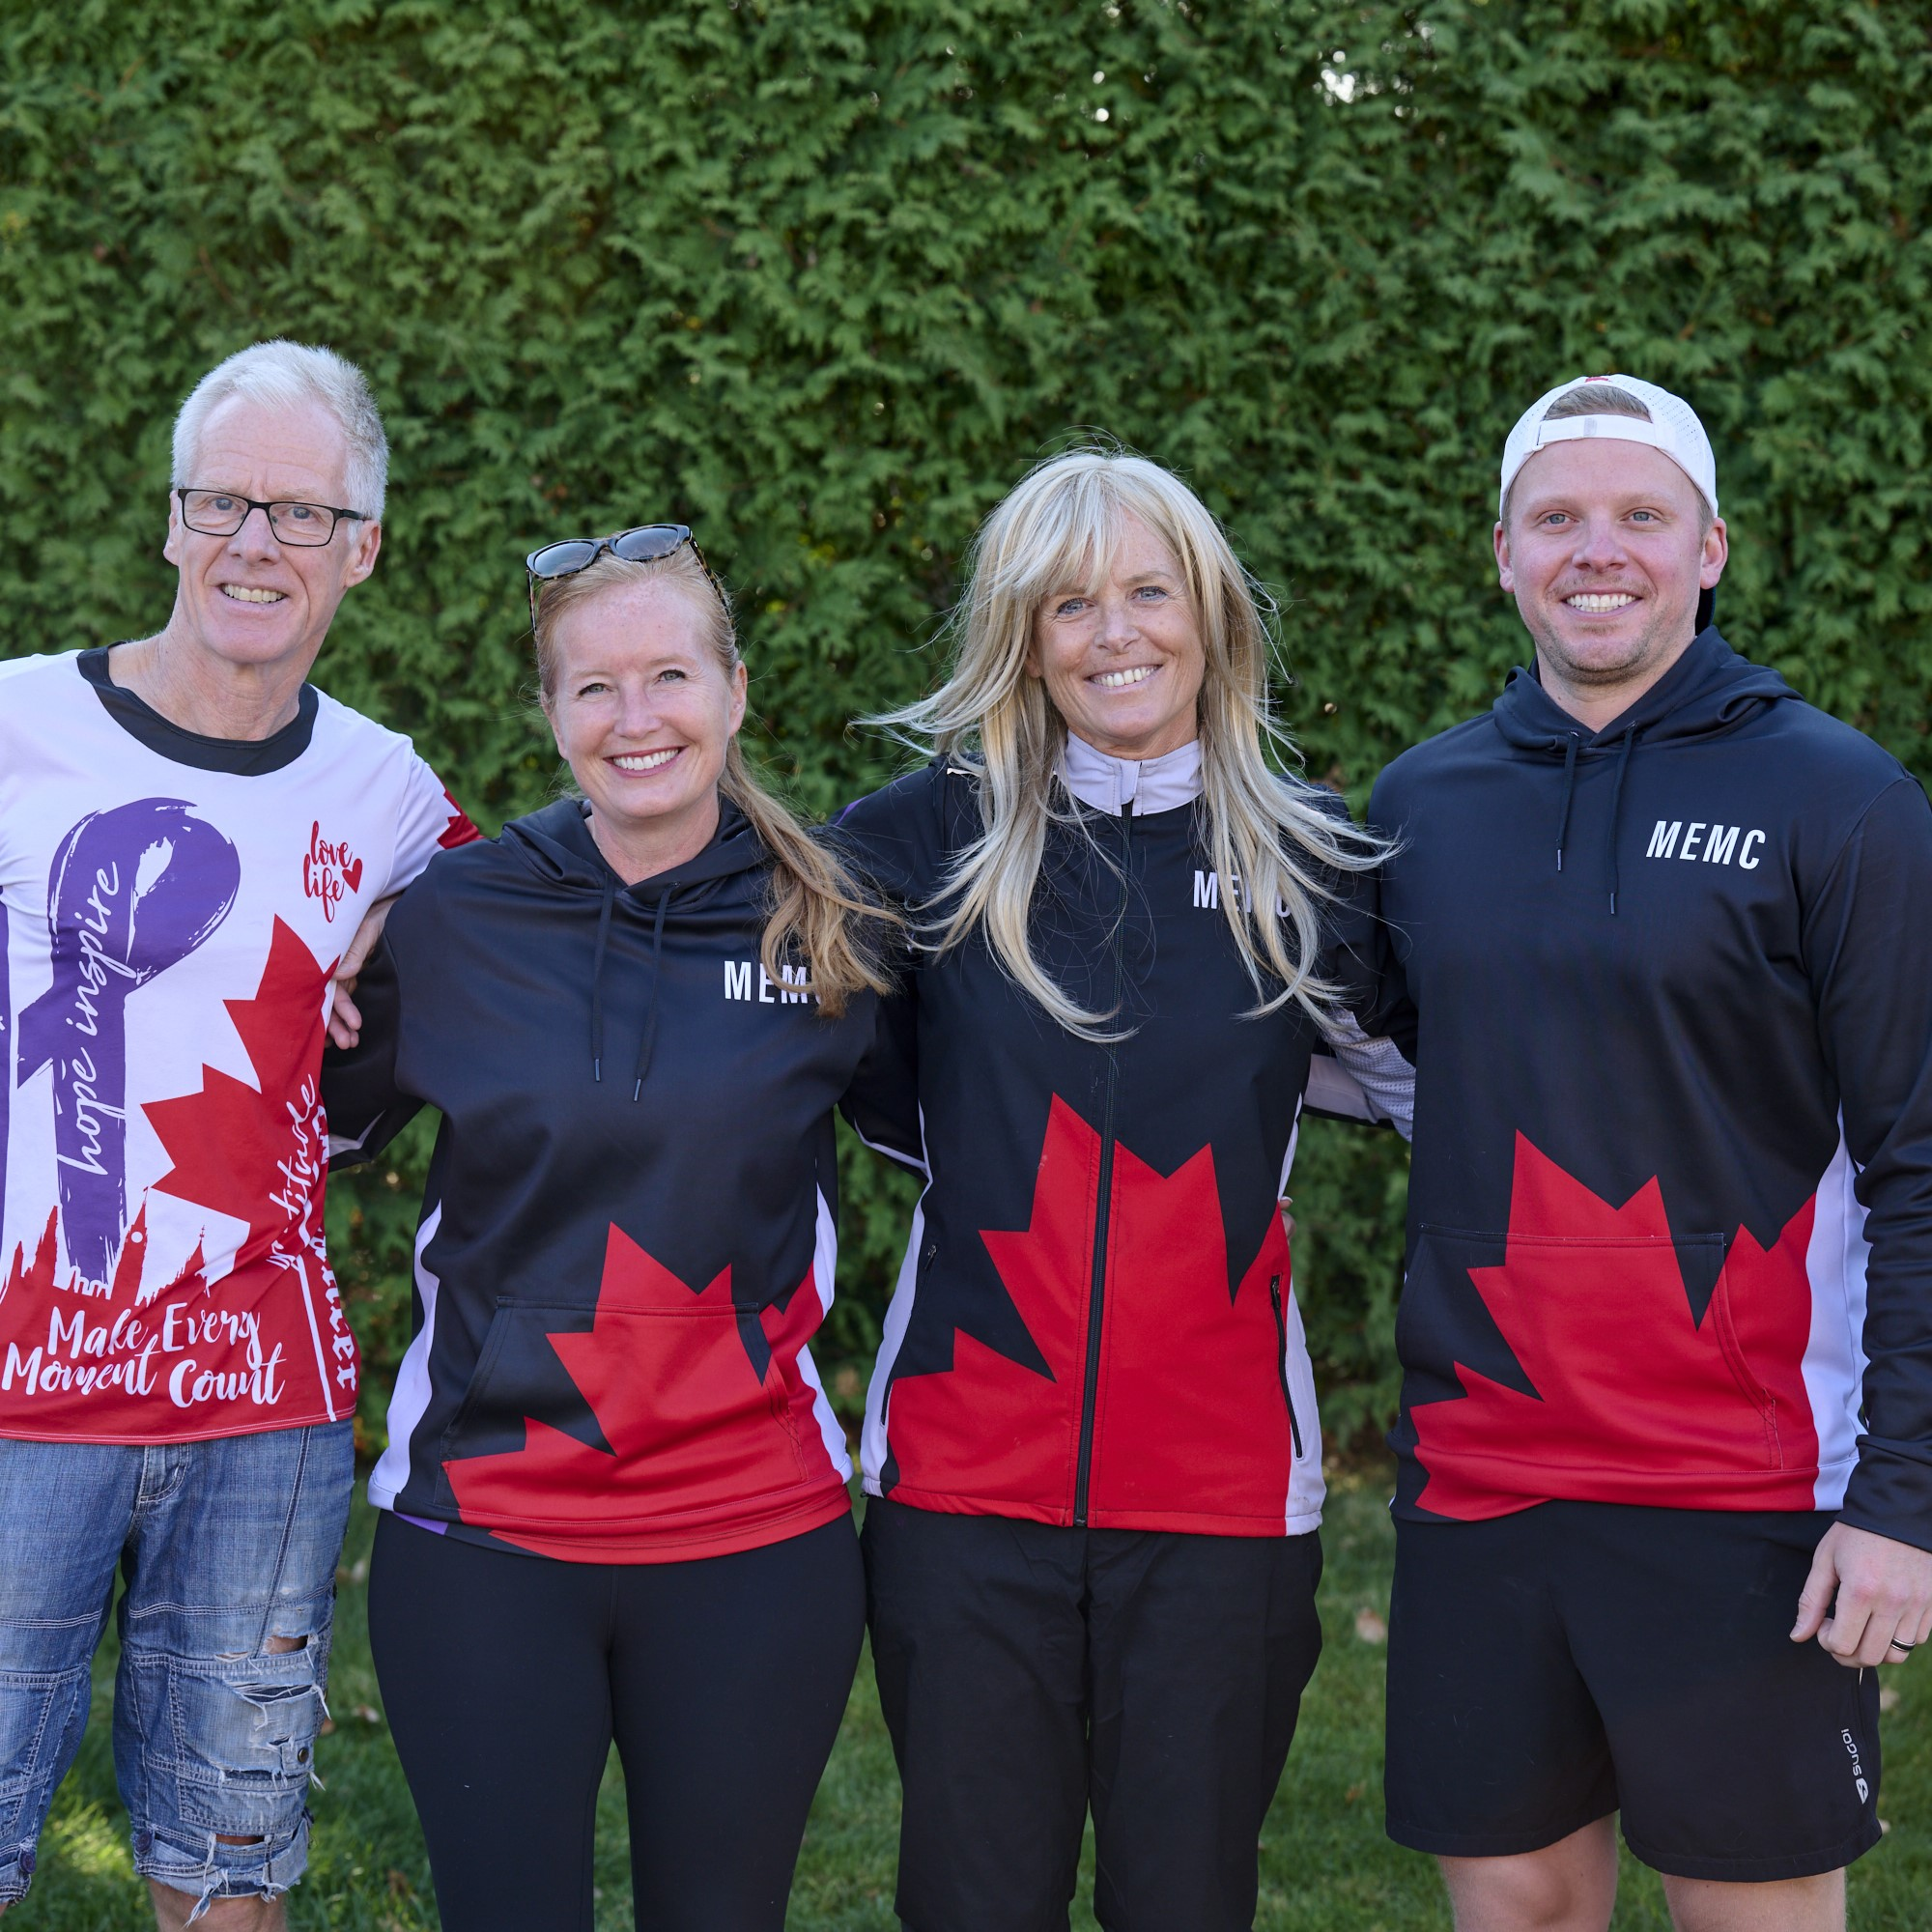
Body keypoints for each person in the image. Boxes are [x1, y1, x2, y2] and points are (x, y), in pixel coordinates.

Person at [1364, 373, 1932, 1932]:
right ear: (1500, 554)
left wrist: (1903, 1500)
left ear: (1711, 550)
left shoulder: (1840, 799)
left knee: (1746, 1912)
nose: (1594, 550)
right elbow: (1358, 1056)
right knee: (1521, 1902)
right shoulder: (1418, 807)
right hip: (1483, 1471)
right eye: (1557, 517)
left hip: (1744, 1486)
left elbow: (1918, 1160)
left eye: (1638, 517)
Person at [834, 448, 1406, 1931]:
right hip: (961, 1483)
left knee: (1185, 1902)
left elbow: (1439, 1082)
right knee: (971, 1903)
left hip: (1223, 1504)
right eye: (1069, 603)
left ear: (1210, 615)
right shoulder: (919, 839)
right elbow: (824, 1061)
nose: (1116, 634)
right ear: (1020, 635)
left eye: (1149, 591)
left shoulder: (1308, 853)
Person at [321, 527, 911, 1932]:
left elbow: (980, 1138)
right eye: (593, 688)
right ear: (549, 713)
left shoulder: (836, 924)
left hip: (753, 1540)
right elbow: (295, 1123)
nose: (635, 719)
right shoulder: (453, 917)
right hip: (484, 1534)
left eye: (669, 675)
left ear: (736, 689)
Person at [0, 341, 476, 1928]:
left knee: (229, 1872)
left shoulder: (393, 791)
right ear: (169, 520)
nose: (255, 543)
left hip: (255, 1414)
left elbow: (548, 917)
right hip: (19, 1396)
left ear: (366, 549)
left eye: (302, 512)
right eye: (224, 501)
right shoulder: (15, 730)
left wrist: (408, 916)